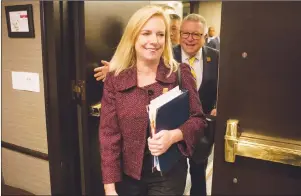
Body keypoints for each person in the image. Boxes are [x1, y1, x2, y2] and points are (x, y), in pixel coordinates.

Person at [98, 5, 206, 196]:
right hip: (128, 177)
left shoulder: (180, 73)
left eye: (160, 34)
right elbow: (109, 135)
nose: (154, 41)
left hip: (169, 174)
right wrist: (109, 187)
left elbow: (198, 120)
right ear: (133, 37)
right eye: (146, 33)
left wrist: (174, 135)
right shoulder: (115, 79)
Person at [173, 14, 219, 196]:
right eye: (186, 33)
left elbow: (224, 86)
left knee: (198, 173)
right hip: (173, 128)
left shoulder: (216, 58)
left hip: (202, 126)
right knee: (173, 175)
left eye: (196, 34)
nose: (190, 39)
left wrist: (219, 104)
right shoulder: (168, 55)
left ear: (205, 36)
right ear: (180, 34)